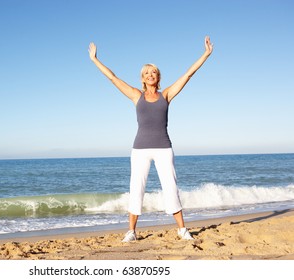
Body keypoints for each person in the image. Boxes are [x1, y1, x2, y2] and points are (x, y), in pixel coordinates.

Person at [88, 36, 214, 242]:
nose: (150, 75)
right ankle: (131, 231)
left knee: (170, 187)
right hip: (140, 150)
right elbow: (113, 77)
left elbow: (188, 74)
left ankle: (182, 230)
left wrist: (206, 54)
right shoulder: (136, 96)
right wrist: (95, 60)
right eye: (146, 73)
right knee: (136, 188)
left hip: (164, 148)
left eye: (153, 72)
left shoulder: (166, 95)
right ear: (142, 78)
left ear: (158, 77)